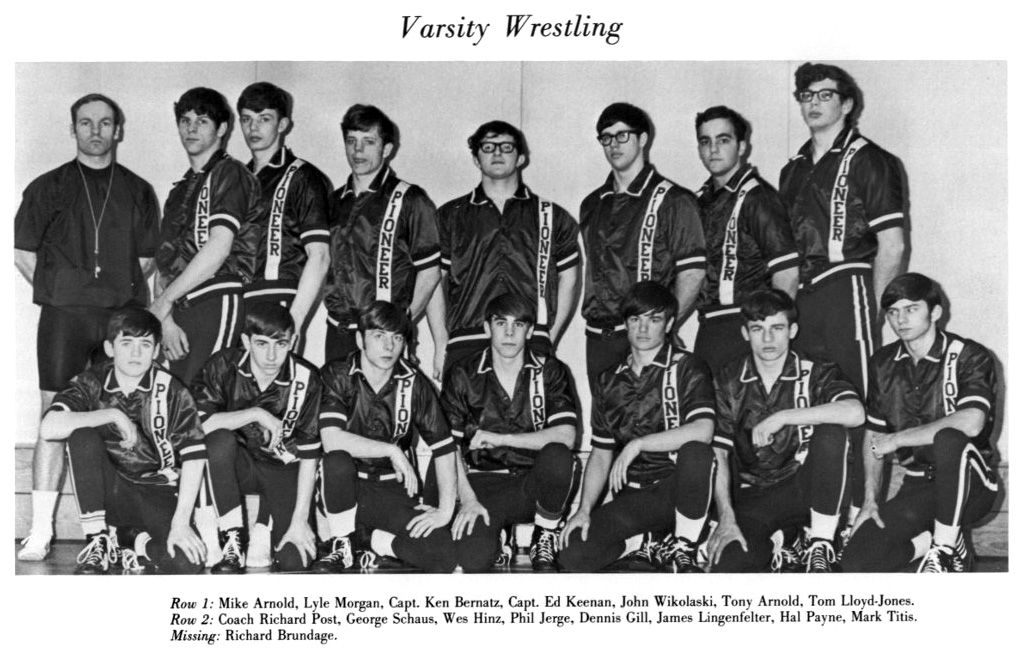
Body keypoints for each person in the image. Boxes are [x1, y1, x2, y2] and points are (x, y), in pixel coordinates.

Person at [15, 93, 160, 561]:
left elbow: (146, 260)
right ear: (73, 128)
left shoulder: (138, 190)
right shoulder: (47, 187)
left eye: (104, 123)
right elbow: (23, 254)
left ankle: (113, 530)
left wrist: (111, 298)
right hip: (65, 318)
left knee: (120, 412)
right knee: (52, 417)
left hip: (118, 319)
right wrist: (64, 291)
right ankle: (40, 531)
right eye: (86, 122)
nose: (95, 131)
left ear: (118, 130)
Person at [778, 63, 907, 533]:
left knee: (860, 400)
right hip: (804, 297)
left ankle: (859, 511)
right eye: (806, 95)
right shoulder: (792, 169)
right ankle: (817, 521)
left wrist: (876, 311)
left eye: (824, 94)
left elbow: (892, 246)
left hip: (848, 286)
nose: (813, 103)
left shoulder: (871, 159)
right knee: (811, 399)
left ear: (847, 103)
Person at [842, 274, 1000, 573]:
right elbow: (874, 435)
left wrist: (898, 439)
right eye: (893, 312)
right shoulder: (882, 363)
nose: (900, 319)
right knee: (857, 560)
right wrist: (869, 501)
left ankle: (945, 549)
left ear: (935, 312)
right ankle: (936, 542)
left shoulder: (969, 355)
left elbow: (972, 423)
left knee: (949, 437)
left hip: (972, 484)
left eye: (911, 309)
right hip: (918, 483)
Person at [558, 282, 716, 573]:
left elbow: (703, 430)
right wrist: (583, 510)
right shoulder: (608, 379)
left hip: (677, 491)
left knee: (697, 454)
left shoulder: (688, 366)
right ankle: (642, 543)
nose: (643, 329)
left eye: (654, 320)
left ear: (669, 324)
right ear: (625, 324)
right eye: (635, 319)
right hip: (633, 495)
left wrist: (639, 444)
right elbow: (601, 452)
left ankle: (683, 544)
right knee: (573, 554)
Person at [38, 308, 208, 574]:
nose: (136, 353)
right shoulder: (91, 381)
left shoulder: (173, 390)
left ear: (156, 351)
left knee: (187, 563)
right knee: (82, 435)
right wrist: (111, 414)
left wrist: (181, 522)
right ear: (110, 348)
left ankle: (131, 541)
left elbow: (194, 456)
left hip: (156, 489)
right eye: (127, 343)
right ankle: (98, 539)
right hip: (109, 489)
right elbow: (48, 428)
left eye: (145, 345)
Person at [706, 290, 864, 573]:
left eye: (777, 328)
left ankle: (820, 542)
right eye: (758, 329)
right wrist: (726, 517)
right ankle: (787, 538)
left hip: (809, 491)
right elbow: (718, 452)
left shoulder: (817, 370)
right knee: (731, 565)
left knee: (831, 433)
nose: (768, 339)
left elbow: (855, 412)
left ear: (792, 330)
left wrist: (783, 417)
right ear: (745, 333)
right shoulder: (728, 379)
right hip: (755, 494)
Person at [441, 293, 581, 571]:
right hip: (484, 483)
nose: (508, 333)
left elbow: (566, 435)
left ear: (529, 331)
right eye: (500, 323)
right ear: (487, 328)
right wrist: (467, 499)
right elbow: (448, 447)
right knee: (473, 560)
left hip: (532, 485)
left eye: (518, 325)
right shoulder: (462, 373)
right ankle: (499, 538)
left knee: (558, 455)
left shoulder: (551, 370)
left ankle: (545, 532)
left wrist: (501, 439)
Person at [314, 301, 457, 573]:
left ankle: (366, 541)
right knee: (337, 461)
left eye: (397, 338)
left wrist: (445, 511)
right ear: (360, 339)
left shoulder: (414, 381)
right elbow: (331, 439)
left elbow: (444, 447)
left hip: (392, 487)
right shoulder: (337, 373)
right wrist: (391, 450)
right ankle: (343, 542)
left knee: (443, 555)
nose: (389, 346)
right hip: (345, 488)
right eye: (379, 336)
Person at [430, 121, 581, 376]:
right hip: (467, 338)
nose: (497, 153)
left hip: (530, 340)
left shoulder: (552, 216)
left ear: (521, 157)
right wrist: (440, 342)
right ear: (476, 159)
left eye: (506, 147)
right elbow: (433, 280)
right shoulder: (449, 215)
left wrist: (549, 335)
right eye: (488, 147)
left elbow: (570, 279)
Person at [580, 102, 706, 393]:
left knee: (651, 418)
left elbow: (693, 273)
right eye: (606, 137)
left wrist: (662, 327)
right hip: (598, 339)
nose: (614, 144)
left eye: (622, 135)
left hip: (647, 338)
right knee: (605, 418)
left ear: (643, 139)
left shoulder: (675, 200)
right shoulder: (592, 204)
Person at [192, 302, 322, 573]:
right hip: (239, 465)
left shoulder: (307, 378)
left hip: (285, 469)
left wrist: (300, 520)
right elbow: (197, 425)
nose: (271, 356)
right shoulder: (223, 365)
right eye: (262, 344)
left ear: (293, 342)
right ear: (245, 341)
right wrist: (255, 413)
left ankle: (265, 524)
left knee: (294, 561)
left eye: (281, 344)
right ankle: (233, 537)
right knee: (217, 441)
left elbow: (310, 455)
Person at [152, 86, 262, 385]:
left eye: (202, 121)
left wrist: (164, 303)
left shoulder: (231, 173)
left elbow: (219, 246)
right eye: (185, 121)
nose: (191, 128)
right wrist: (166, 318)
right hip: (179, 308)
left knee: (205, 395)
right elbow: (164, 262)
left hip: (216, 299)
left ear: (222, 129)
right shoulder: (180, 189)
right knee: (179, 396)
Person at [324, 105, 442, 363]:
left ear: (386, 149)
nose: (358, 151)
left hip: (386, 335)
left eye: (368, 142)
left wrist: (401, 322)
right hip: (339, 331)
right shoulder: (333, 202)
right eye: (351, 141)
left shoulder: (410, 199)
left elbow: (430, 272)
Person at [692, 106, 799, 373]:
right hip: (709, 327)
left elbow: (786, 273)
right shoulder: (699, 201)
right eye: (705, 141)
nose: (713, 149)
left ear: (741, 146)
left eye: (723, 140)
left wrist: (768, 335)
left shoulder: (758, 198)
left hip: (747, 325)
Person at [237, 82, 331, 351]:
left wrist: (295, 321)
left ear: (283, 124)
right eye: (247, 119)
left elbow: (320, 256)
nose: (254, 128)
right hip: (238, 301)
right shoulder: (237, 179)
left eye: (264, 119)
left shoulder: (304, 176)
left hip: (279, 298)